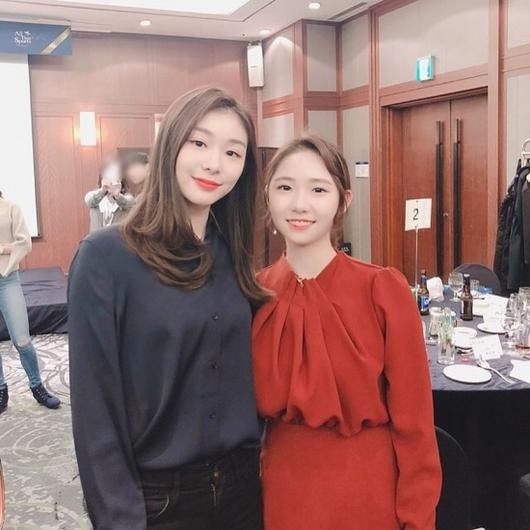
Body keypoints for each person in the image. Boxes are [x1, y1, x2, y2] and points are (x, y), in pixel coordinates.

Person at [68, 87, 270, 530]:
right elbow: (95, 412)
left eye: (233, 152)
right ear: (170, 145)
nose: (215, 163)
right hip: (158, 503)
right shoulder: (106, 257)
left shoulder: (232, 253)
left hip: (243, 493)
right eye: (199, 143)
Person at [252, 134, 441, 530]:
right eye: (284, 188)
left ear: (344, 200)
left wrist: (418, 518)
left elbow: (416, 425)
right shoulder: (254, 293)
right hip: (279, 494)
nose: (299, 204)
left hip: (367, 495)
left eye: (318, 189)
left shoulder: (382, 290)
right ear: (267, 196)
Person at [0, 192, 61, 414]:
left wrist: (2, 249)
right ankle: (1, 389)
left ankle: (37, 386)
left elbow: (24, 242)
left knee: (22, 339)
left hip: (7, 279)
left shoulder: (10, 208)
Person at [84, 158, 135, 232]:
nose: (112, 176)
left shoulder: (127, 197)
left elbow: (127, 204)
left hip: (118, 238)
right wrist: (103, 191)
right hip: (97, 238)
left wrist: (117, 196)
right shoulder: (94, 195)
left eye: (115, 173)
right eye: (109, 172)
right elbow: (90, 201)